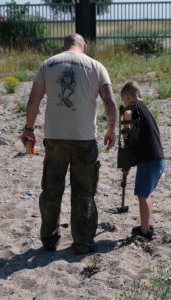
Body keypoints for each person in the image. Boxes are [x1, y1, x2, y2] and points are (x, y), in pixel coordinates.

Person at [21, 33, 117, 254]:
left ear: (64, 46)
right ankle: (82, 241)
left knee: (51, 190)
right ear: (85, 46)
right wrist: (111, 129)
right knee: (84, 192)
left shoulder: (48, 64)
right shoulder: (96, 66)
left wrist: (28, 129)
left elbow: (33, 99)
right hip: (84, 138)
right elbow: (110, 101)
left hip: (55, 137)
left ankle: (49, 238)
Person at [120, 81, 165, 240]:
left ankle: (145, 232)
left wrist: (126, 133)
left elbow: (126, 114)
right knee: (146, 194)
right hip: (157, 159)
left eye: (123, 101)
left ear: (128, 97)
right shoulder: (145, 110)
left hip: (150, 160)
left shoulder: (134, 106)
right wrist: (128, 163)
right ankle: (146, 225)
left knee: (142, 195)